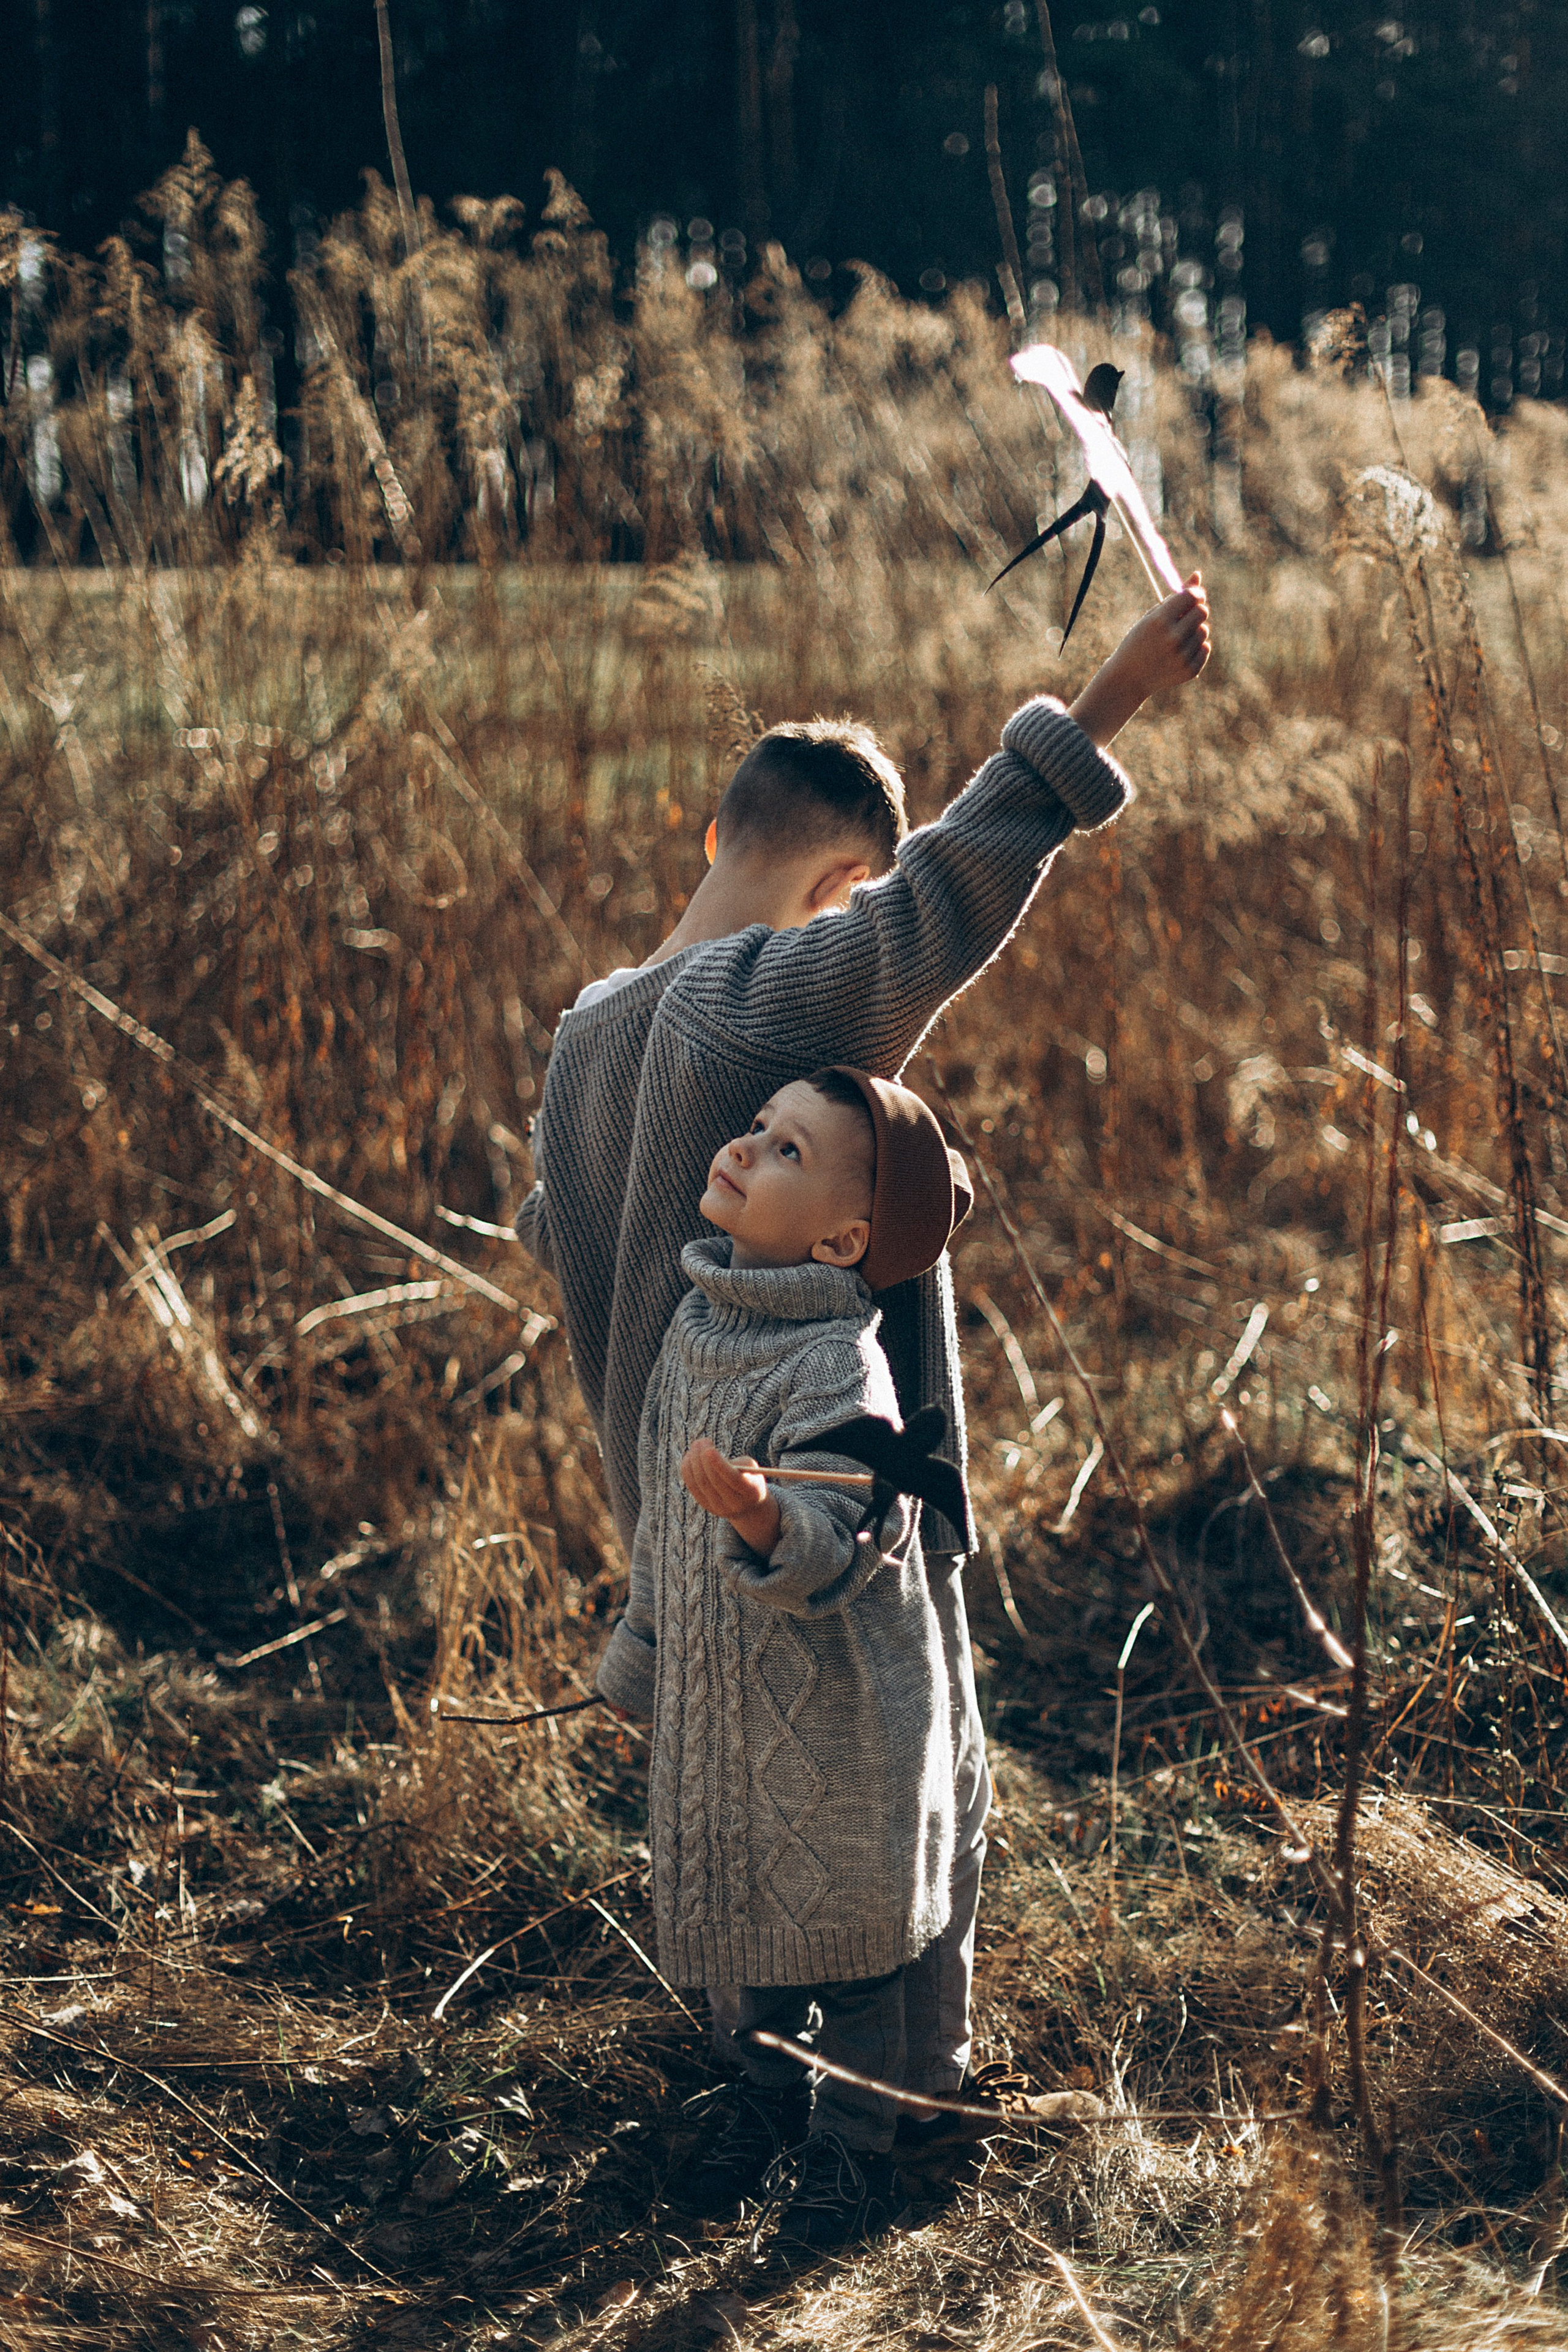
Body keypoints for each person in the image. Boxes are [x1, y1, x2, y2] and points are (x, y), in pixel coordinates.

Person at [515, 578, 1210, 2204]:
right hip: (839, 1487)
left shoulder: (586, 1035)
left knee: (731, 1802)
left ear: (710, 831)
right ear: (844, 883)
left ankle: (757, 2079)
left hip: (676, 1514)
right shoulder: (765, 1007)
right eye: (859, 906)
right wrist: (1104, 701)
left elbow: (557, 1231)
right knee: (906, 1771)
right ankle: (899, 2111)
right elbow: (956, 890)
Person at [593, 1066, 975, 2250]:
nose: (748, 1148)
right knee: (750, 1937)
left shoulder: (838, 1365)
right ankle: (764, 2098)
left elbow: (858, 1526)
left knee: (853, 1949)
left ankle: (854, 2153)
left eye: (791, 1152)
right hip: (725, 1712)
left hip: (836, 1721)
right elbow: (663, 1515)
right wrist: (645, 1646)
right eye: (760, 1128)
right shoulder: (692, 1328)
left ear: (846, 1237)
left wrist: (769, 1519)